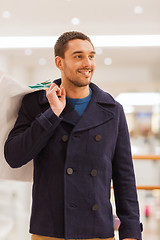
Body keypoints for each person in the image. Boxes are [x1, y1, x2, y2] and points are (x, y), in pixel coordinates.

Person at [4, 31, 143, 240]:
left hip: (97, 230)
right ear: (59, 62)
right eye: (78, 56)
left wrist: (131, 233)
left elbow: (124, 178)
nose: (88, 63)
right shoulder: (36, 104)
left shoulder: (113, 110)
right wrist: (52, 114)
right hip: (49, 230)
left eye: (91, 56)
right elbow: (14, 157)